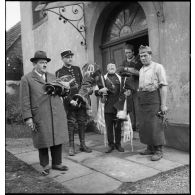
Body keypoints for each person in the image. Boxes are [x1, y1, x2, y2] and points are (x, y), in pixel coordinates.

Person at [20, 51, 69, 176]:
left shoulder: (52, 76)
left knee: (56, 137)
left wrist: (66, 88)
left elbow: (61, 93)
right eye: (42, 62)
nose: (45, 65)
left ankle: (57, 163)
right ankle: (45, 165)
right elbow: (24, 100)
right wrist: (28, 118)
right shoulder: (27, 79)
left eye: (46, 62)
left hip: (56, 112)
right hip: (40, 115)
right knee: (42, 139)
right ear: (35, 64)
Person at [55, 50, 92, 156]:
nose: (70, 59)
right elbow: (61, 90)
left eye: (71, 57)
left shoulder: (77, 69)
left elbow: (81, 84)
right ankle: (71, 146)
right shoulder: (59, 72)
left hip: (80, 100)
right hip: (70, 102)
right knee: (71, 123)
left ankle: (82, 145)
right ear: (62, 59)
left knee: (82, 122)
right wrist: (70, 100)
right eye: (67, 57)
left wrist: (82, 96)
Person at [138, 45, 168, 161]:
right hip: (143, 99)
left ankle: (158, 150)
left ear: (150, 55)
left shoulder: (158, 67)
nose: (143, 58)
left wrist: (163, 105)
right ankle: (150, 148)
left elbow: (163, 86)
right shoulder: (141, 70)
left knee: (155, 124)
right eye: (141, 56)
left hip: (154, 98)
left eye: (145, 55)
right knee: (145, 124)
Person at [95, 63, 124, 153]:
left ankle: (118, 144)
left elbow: (124, 90)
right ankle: (110, 145)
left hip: (118, 106)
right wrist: (100, 91)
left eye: (113, 67)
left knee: (118, 127)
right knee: (109, 127)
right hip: (107, 106)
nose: (111, 68)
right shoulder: (102, 78)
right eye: (109, 67)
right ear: (107, 69)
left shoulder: (120, 78)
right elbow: (96, 91)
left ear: (115, 68)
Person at [117, 43, 142, 131]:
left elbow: (139, 72)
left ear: (133, 52)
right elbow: (119, 70)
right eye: (126, 52)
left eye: (129, 52)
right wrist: (130, 70)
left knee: (137, 107)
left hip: (136, 86)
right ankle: (132, 126)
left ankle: (139, 126)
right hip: (127, 87)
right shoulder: (123, 61)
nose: (127, 54)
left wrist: (126, 69)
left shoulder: (138, 60)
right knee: (130, 107)